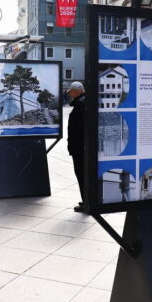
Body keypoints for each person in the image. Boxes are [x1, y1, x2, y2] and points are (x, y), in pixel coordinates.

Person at [66, 81, 87, 212]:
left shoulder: (79, 105)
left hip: (80, 149)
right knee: (85, 175)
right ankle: (87, 200)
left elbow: (79, 130)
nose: (70, 95)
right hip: (84, 148)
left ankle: (87, 203)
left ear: (75, 93)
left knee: (82, 174)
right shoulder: (86, 102)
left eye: (71, 93)